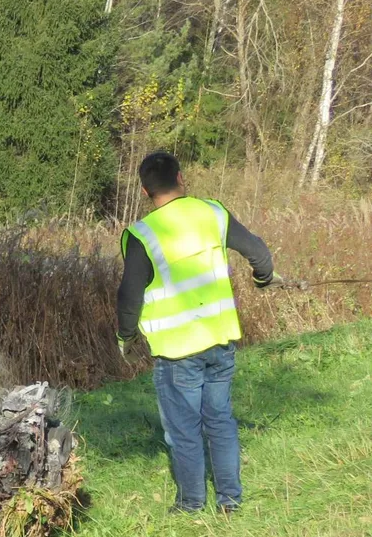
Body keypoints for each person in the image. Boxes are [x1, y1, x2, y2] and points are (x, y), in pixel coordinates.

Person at [117, 151, 280, 513]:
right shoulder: (213, 212)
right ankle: (230, 501)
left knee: (183, 430)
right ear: (181, 178)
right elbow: (259, 253)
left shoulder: (142, 234)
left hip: (177, 353)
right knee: (220, 419)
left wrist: (125, 336)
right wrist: (263, 277)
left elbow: (129, 296)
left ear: (145, 191)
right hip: (220, 341)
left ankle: (191, 504)